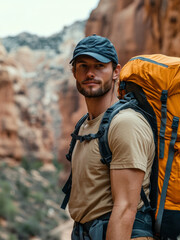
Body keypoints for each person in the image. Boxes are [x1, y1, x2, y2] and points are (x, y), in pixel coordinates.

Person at [66, 34, 155, 240]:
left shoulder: (125, 123)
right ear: (74, 72)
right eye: (83, 66)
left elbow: (125, 208)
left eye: (99, 66)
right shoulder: (84, 126)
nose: (90, 73)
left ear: (116, 72)